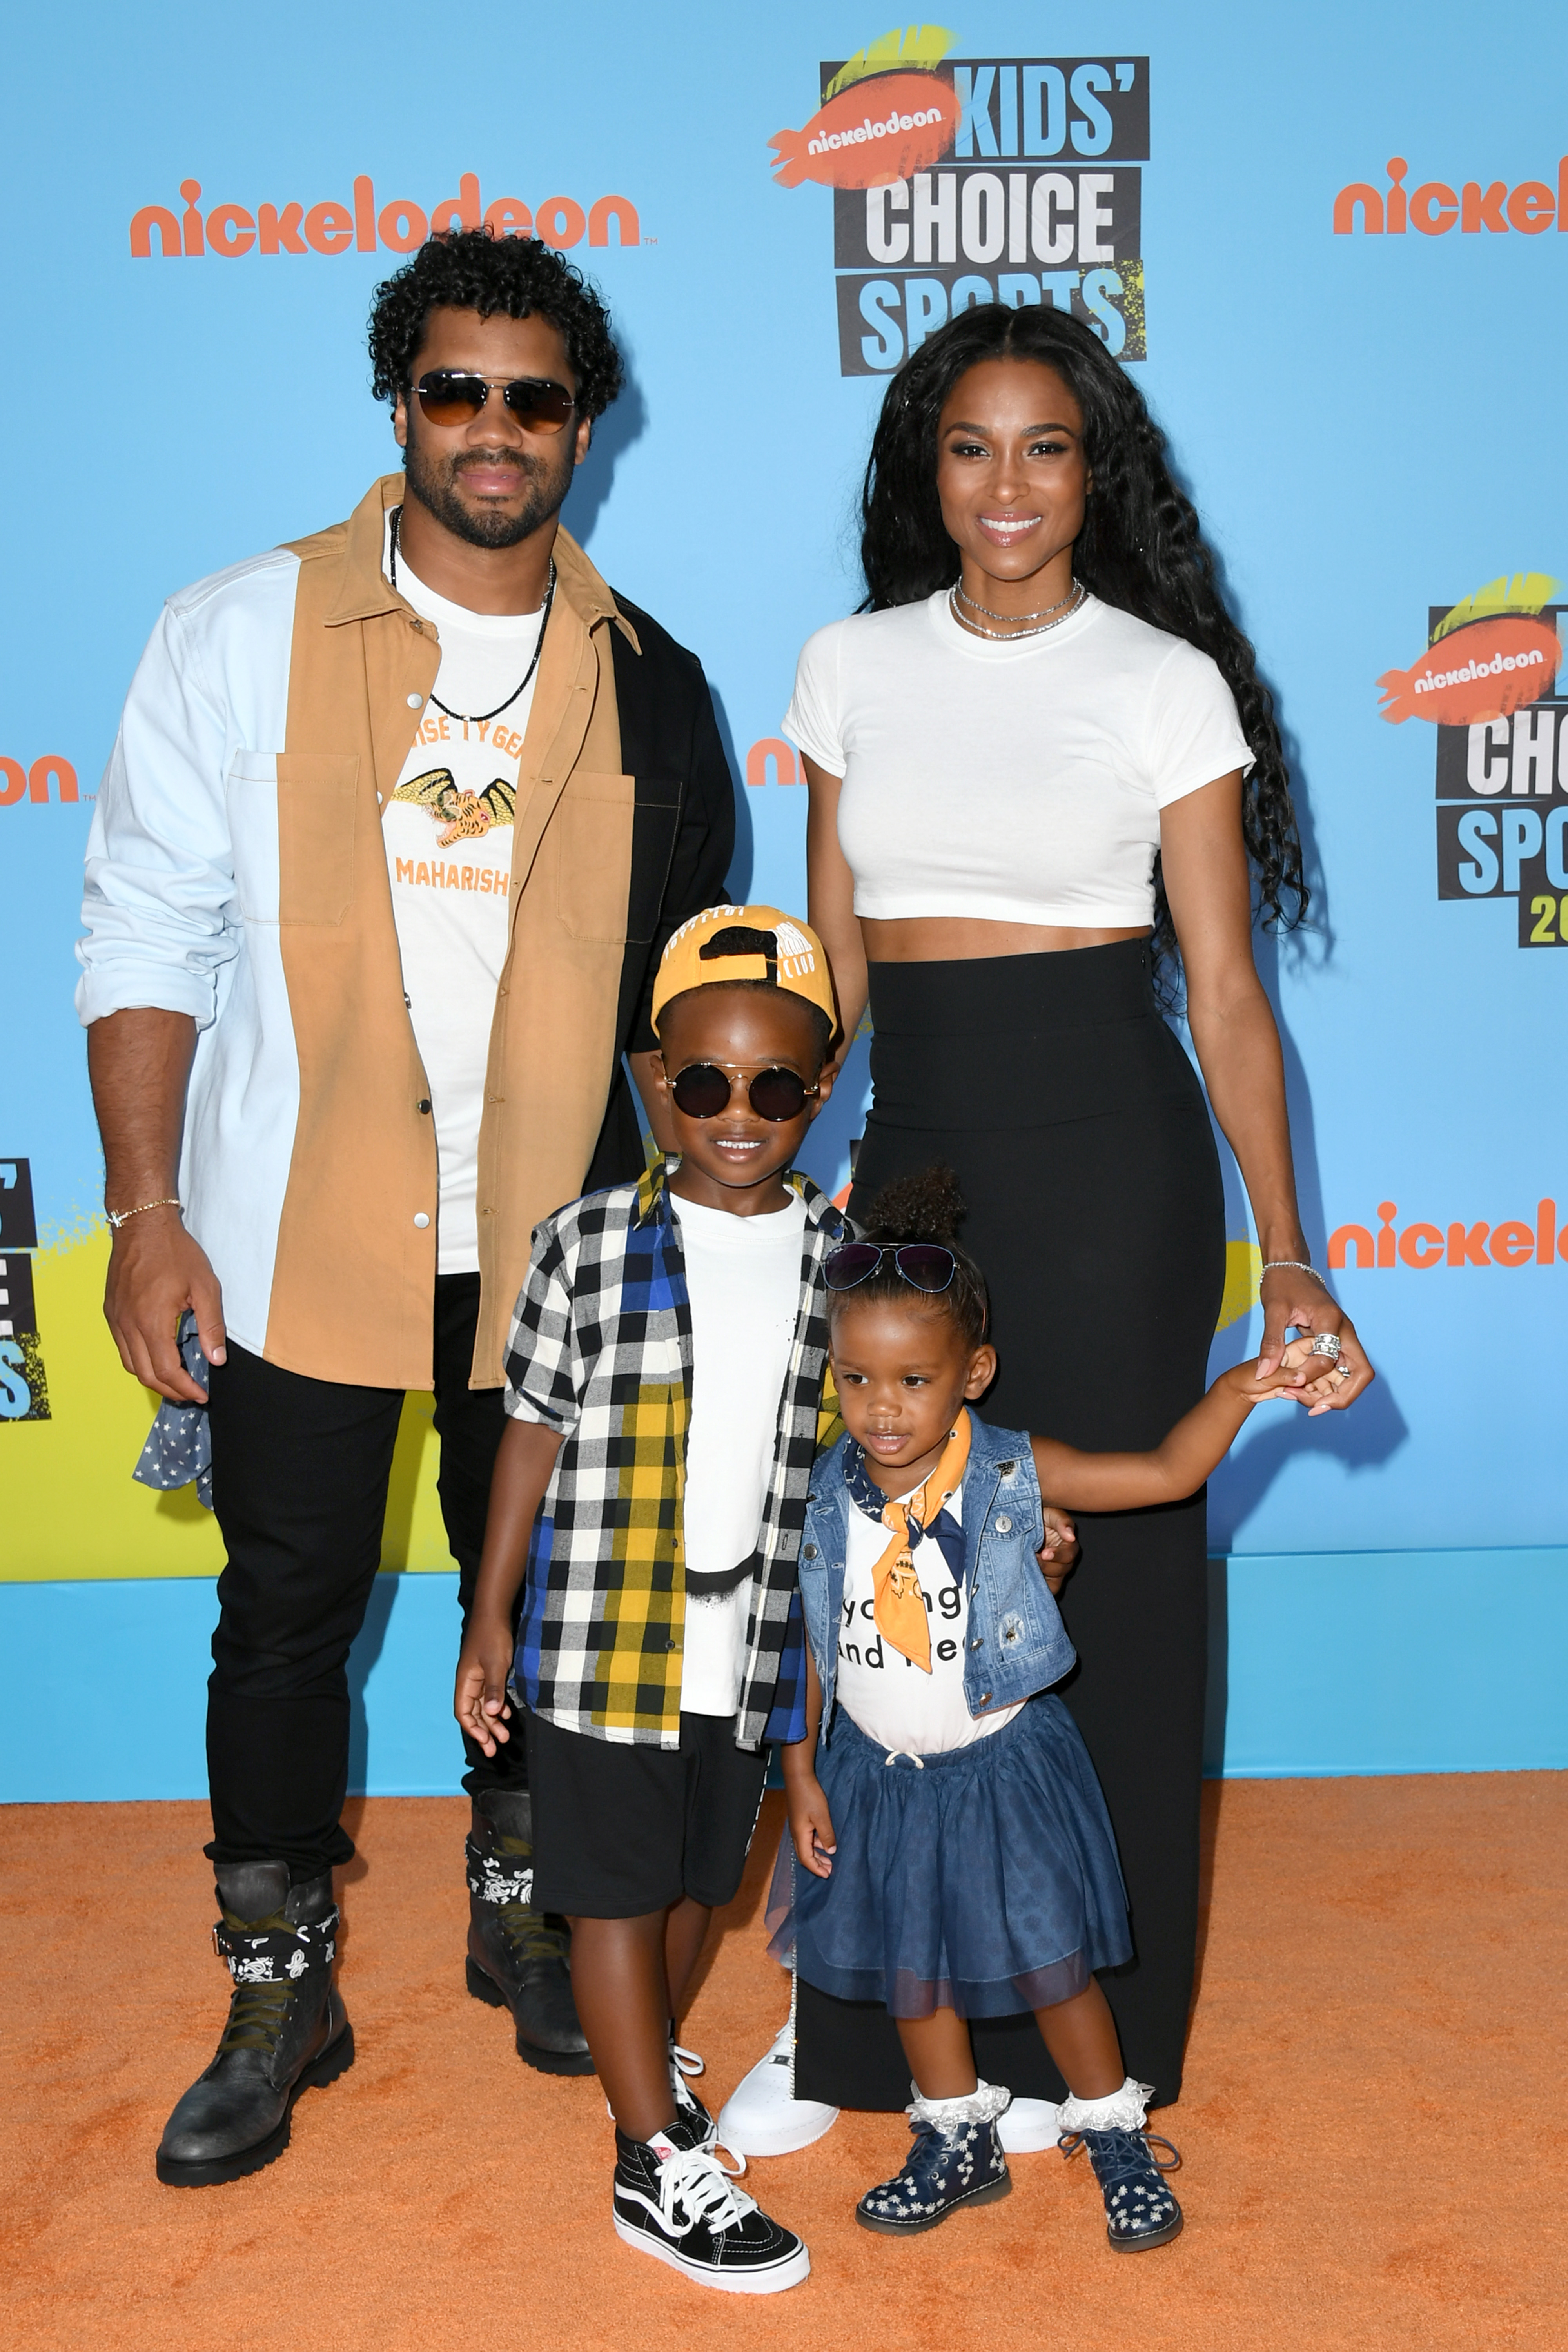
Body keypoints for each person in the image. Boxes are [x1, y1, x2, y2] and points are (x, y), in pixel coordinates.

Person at [75, 228, 735, 2186]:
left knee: (529, 1596)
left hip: (551, 1251)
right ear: (402, 406)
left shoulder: (656, 686)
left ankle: (518, 1907)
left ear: (582, 426)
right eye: (456, 388)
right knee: (280, 1618)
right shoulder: (237, 630)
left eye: (533, 397)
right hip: (288, 1224)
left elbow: (683, 1004)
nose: (493, 429)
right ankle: (278, 1976)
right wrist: (141, 1211)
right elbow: (146, 925)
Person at [724, 298, 1373, 2154]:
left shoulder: (1163, 681)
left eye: (1045, 448)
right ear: (924, 470)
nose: (1005, 486)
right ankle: (864, 2036)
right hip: (917, 1139)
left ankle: (1106, 2045)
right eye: (969, 448)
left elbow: (1228, 992)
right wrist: (791, 1155)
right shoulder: (847, 665)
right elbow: (833, 957)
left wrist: (1292, 1246)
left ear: (1098, 474)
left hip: (1108, 1153)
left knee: (1112, 1579)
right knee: (883, 1573)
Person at [774, 1167, 1347, 2249]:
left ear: (973, 1373)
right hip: (877, 1774)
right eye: (857, 1379)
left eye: (912, 1380)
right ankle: (955, 2133)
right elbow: (807, 1636)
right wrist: (801, 1769)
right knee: (913, 1965)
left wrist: (1242, 1389)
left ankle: (1113, 2127)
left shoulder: (1009, 1474)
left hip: (1001, 1767)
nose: (881, 1408)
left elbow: (1167, 1473)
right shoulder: (821, 1492)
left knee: (1051, 1961)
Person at [454, 906, 857, 2295]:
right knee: (616, 1903)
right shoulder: (583, 1245)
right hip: (599, 1638)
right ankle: (650, 2155)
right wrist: (487, 1613)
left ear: (821, 1086)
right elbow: (529, 1430)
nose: (736, 1115)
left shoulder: (837, 1256)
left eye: (775, 1089)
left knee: (699, 1887)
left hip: (753, 1644)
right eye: (702, 1084)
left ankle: (646, 2061)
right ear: (653, 1081)